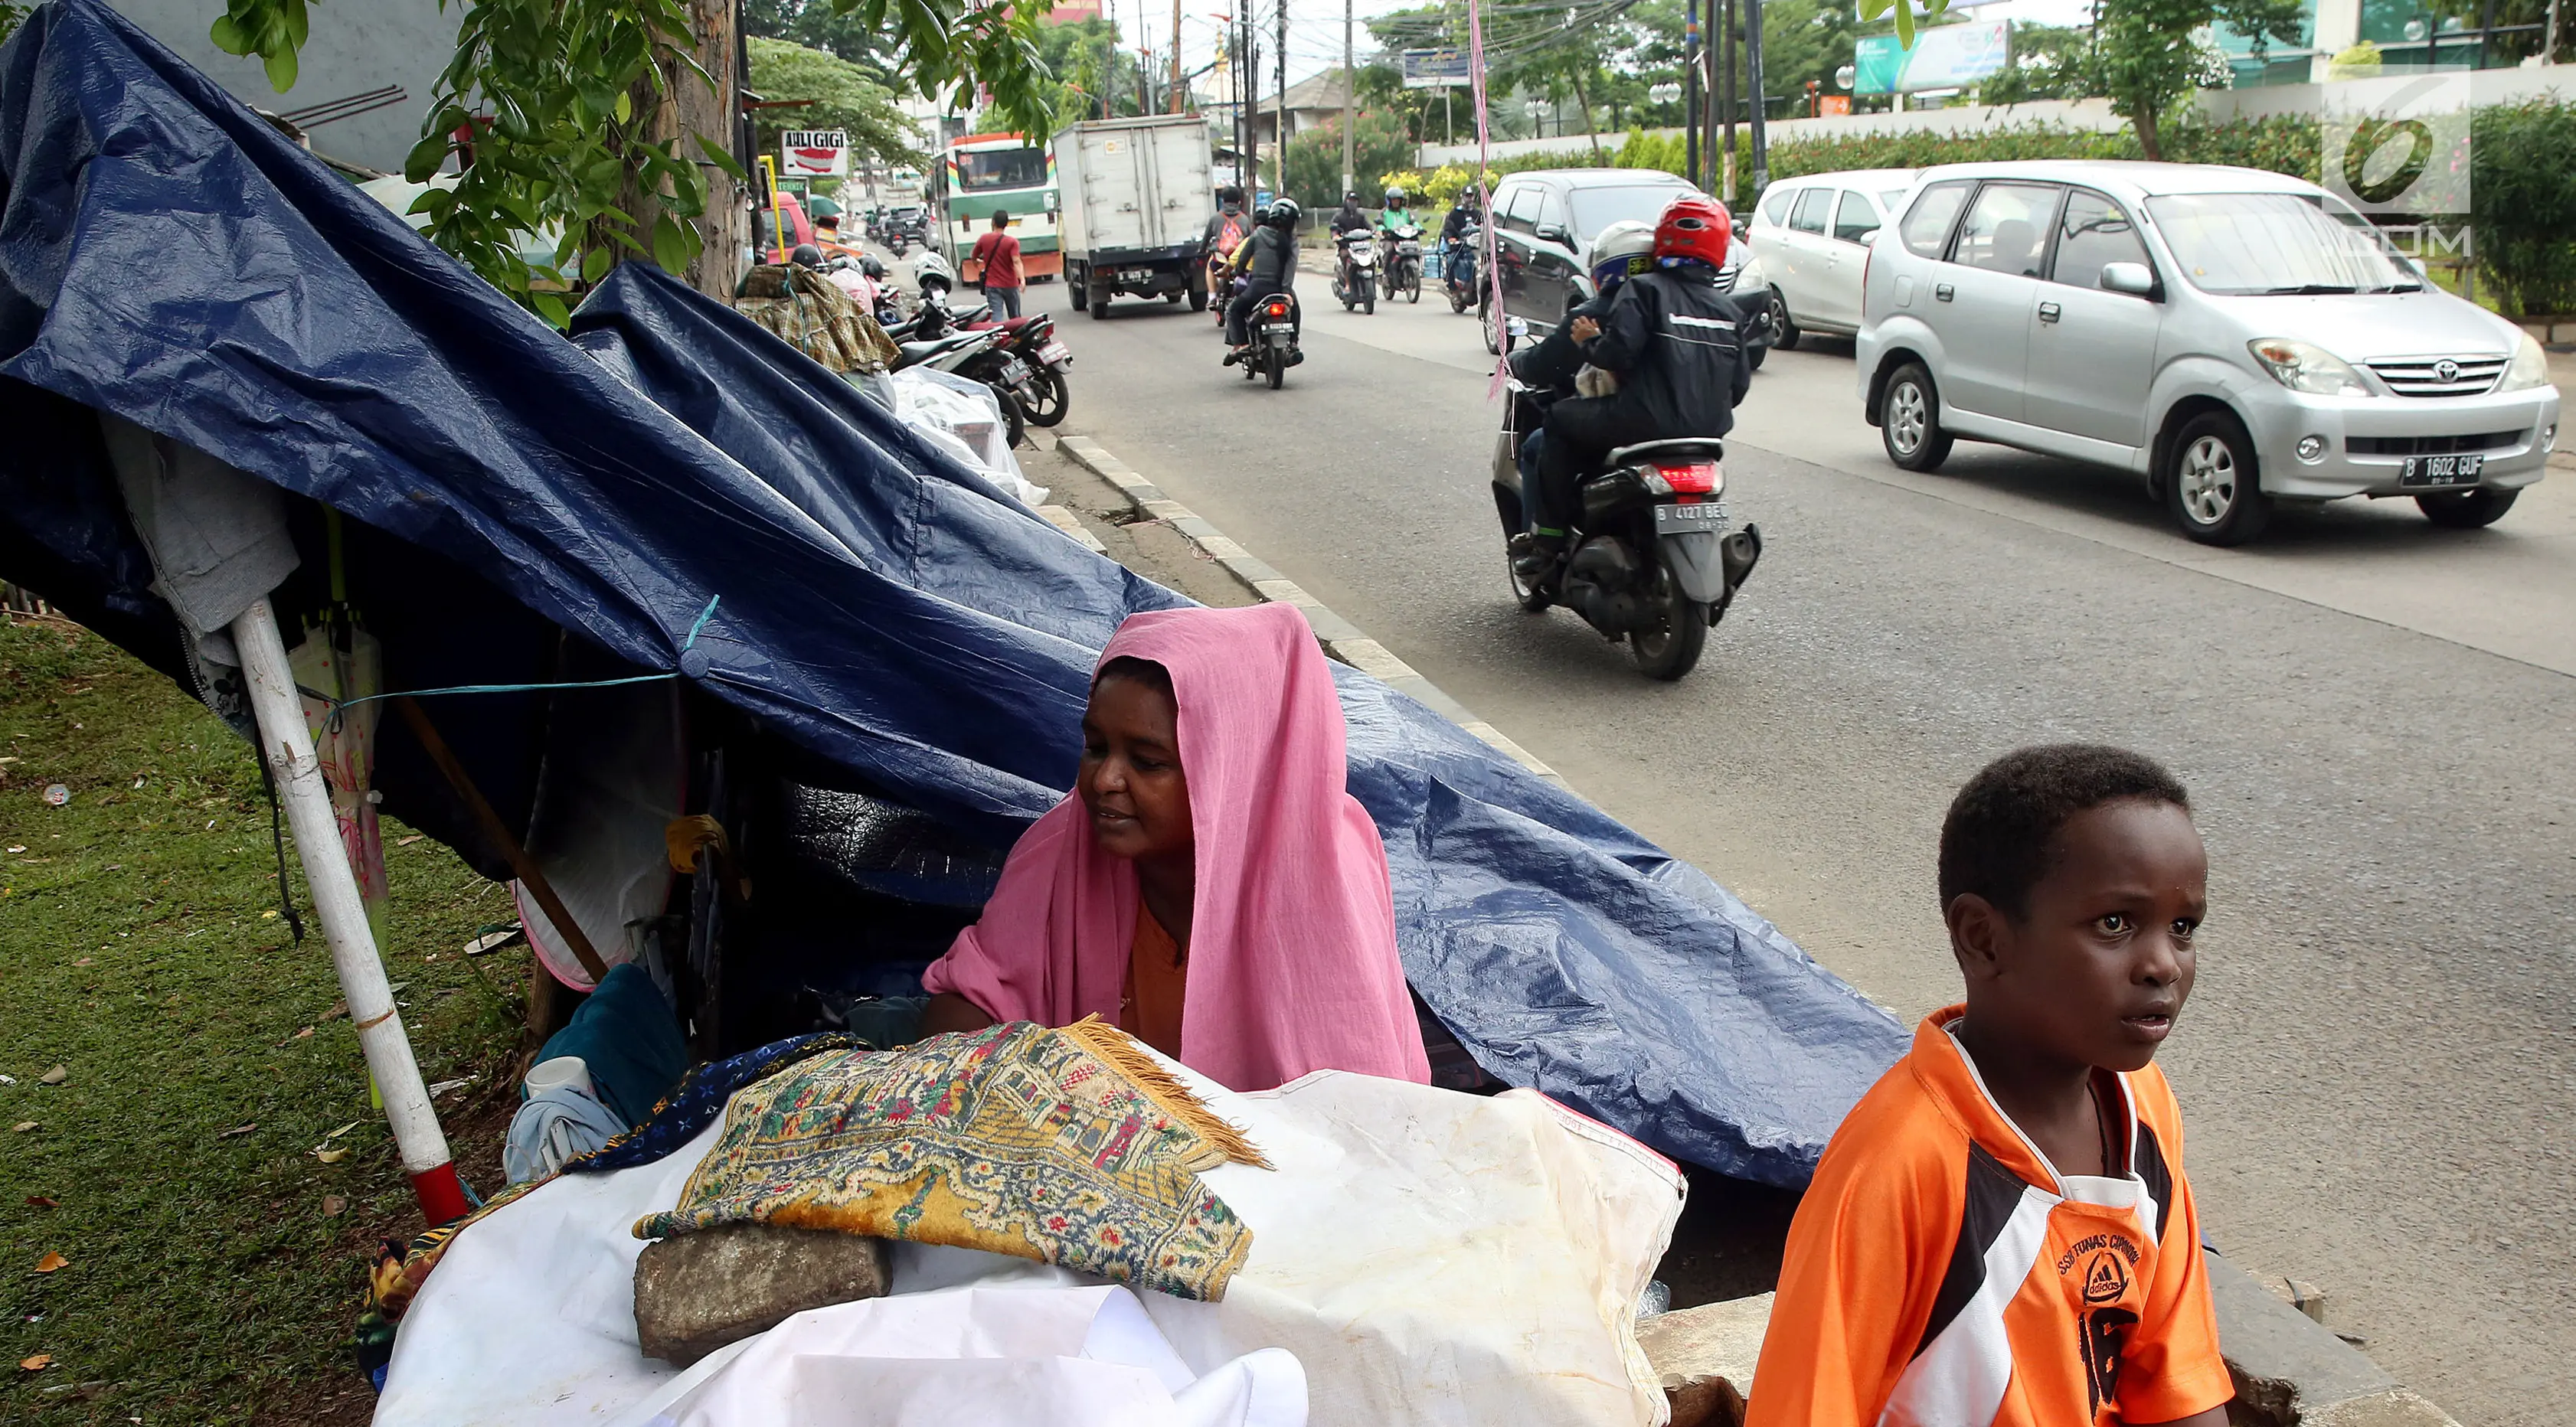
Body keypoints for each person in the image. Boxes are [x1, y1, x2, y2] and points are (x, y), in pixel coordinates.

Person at [1746, 746, 2231, 1427]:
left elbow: (2177, 1377)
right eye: (2115, 924)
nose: (2162, 965)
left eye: (2182, 929)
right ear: (1984, 938)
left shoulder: (2143, 1107)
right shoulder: (1899, 1169)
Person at [917, 603, 1433, 1093]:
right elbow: (971, 998)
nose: (1104, 781)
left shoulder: (1322, 874)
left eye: (1147, 761)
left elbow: (1362, 1116)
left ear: (1226, 770)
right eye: (1096, 748)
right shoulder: (1063, 848)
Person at [1513, 193, 1750, 589]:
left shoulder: (1643, 290)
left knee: (1557, 419)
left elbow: (1620, 352)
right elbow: (1739, 385)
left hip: (1639, 421)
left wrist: (1590, 342)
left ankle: (1548, 539)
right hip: (1708, 434)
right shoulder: (1728, 310)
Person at [1507, 220, 1654, 491]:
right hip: (1695, 429)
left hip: (1629, 420)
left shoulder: (1594, 314)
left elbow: (1545, 364)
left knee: (1537, 444)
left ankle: (1546, 531)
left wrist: (1514, 362)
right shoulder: (1673, 307)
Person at [1222, 198, 1302, 364]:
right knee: (1295, 310)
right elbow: (1290, 267)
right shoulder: (1292, 241)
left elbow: (1243, 258)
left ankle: (1242, 344)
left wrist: (1237, 272)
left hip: (1257, 288)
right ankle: (1293, 344)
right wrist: (1286, 292)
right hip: (1281, 289)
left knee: (1233, 310)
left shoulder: (1259, 234)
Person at [969, 210, 1025, 322]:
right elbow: (1016, 261)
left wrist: (976, 262)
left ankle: (999, 337)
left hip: (992, 286)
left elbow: (973, 255)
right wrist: (1022, 279)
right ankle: (1017, 338)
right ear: (1007, 224)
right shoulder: (1012, 242)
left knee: (996, 317)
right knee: (1015, 317)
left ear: (993, 222)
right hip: (1011, 285)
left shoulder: (984, 239)